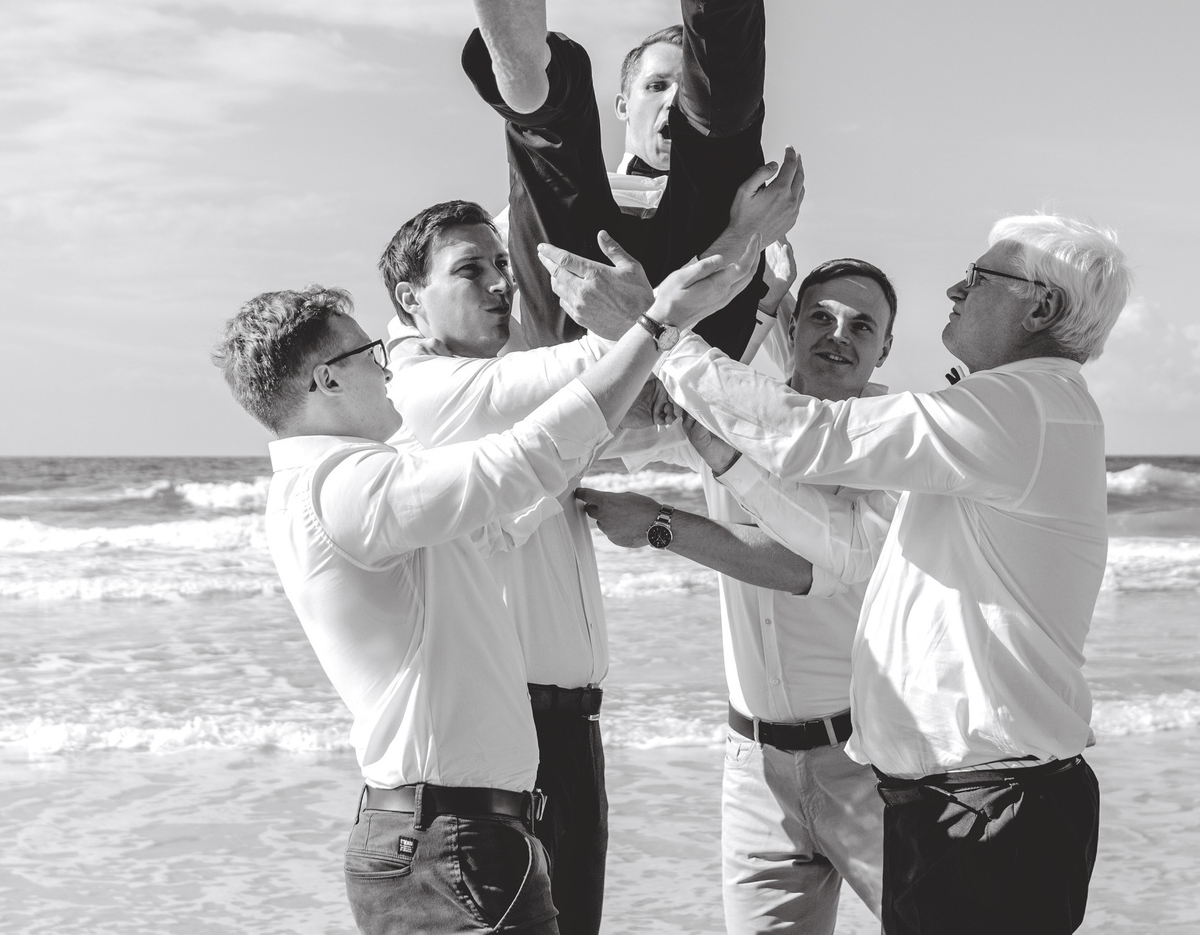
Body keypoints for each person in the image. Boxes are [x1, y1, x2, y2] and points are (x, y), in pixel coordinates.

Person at [549, 212, 1128, 935]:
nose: (957, 287)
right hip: (960, 796)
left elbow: (809, 440)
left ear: (1040, 306)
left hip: (985, 802)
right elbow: (839, 524)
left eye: (980, 278)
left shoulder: (1011, 408)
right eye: (818, 318)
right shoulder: (1025, 408)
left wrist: (654, 327)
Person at [218, 255, 746, 935]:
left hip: (461, 838)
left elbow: (502, 509)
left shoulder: (359, 482)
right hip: (446, 845)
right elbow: (516, 462)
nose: (387, 367)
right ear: (326, 378)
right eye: (371, 351)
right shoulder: (342, 486)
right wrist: (653, 325)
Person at [379, 152, 806, 935]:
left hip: (569, 732)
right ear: (410, 297)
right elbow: (603, 368)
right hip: (505, 738)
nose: (502, 284)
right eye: (471, 270)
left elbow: (657, 414)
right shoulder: (424, 394)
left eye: (502, 266)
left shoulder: (501, 388)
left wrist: (755, 296)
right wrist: (698, 275)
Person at [575, 257, 902, 935]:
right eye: (821, 315)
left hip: (869, 764)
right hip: (752, 766)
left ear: (884, 348)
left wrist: (665, 524)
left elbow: (816, 564)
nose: (838, 334)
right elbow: (596, 435)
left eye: (861, 324)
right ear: (794, 323)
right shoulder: (736, 407)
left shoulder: (894, 439)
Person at [465, 0, 771, 358]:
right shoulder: (761, 220)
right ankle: (536, 87)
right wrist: (751, 233)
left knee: (720, 134)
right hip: (592, 343)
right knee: (560, 179)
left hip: (676, 351)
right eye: (657, 86)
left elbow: (775, 359)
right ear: (623, 104)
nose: (674, 102)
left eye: (686, 86)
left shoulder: (758, 216)